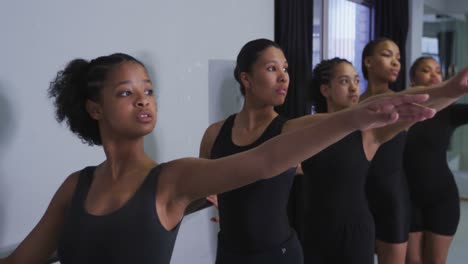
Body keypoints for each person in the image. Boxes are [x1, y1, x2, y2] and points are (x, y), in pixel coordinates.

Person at [0, 53, 433, 264]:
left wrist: (350, 119)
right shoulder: (76, 186)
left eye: (148, 90)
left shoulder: (173, 178)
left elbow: (267, 160)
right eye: (126, 93)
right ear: (94, 109)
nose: (144, 101)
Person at [199, 39, 439, 264]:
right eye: (273, 69)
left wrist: (447, 90)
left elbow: (348, 118)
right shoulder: (215, 134)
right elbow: (202, 189)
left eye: (286, 69)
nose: (284, 77)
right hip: (233, 250)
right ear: (246, 79)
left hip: (287, 249)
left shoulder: (293, 130)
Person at [404, 57, 468, 264]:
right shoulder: (399, 112)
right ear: (413, 79)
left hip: (442, 198)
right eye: (426, 70)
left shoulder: (448, 112)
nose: (434, 75)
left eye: (438, 71)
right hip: (407, 199)